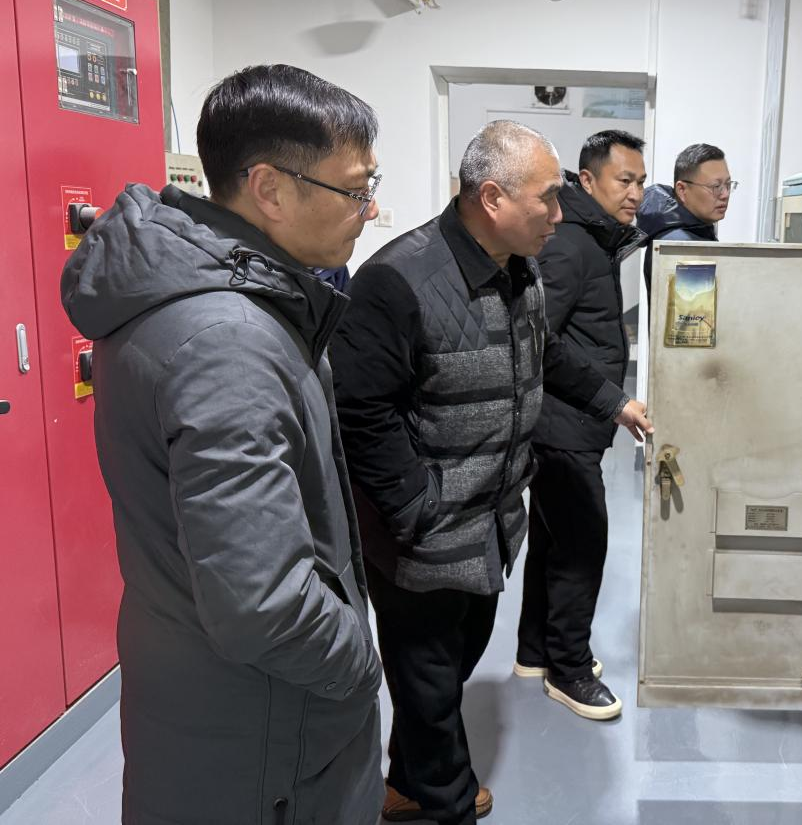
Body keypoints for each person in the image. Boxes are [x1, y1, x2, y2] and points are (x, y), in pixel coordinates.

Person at [60, 64, 385, 825]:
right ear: (269, 188)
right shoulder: (228, 342)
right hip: (265, 734)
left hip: (208, 698)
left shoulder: (217, 300)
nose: (369, 209)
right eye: (354, 189)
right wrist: (361, 665)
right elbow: (264, 604)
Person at [330, 120, 652, 824]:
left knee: (452, 665)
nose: (559, 215)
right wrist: (414, 509)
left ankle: (405, 785)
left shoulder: (516, 268)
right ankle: (445, 802)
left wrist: (614, 401)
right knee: (429, 683)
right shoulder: (397, 280)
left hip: (489, 523)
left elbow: (546, 354)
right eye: (547, 198)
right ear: (492, 198)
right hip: (422, 535)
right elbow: (359, 411)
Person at [514, 130, 648, 721]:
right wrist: (610, 401)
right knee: (582, 546)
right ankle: (568, 671)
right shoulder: (570, 244)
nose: (635, 193)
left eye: (641, 181)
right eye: (624, 180)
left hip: (570, 424)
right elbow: (541, 338)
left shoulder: (591, 237)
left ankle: (535, 651)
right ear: (587, 180)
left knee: (553, 540)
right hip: (561, 426)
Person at [636, 142, 735, 300]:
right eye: (716, 186)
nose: (725, 194)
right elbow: (693, 314)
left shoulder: (692, 231)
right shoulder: (681, 246)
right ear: (682, 190)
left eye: (728, 185)